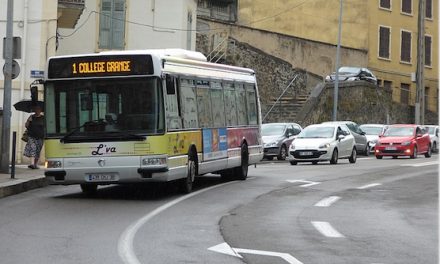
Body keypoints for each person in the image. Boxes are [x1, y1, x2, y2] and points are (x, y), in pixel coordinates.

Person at [23, 105, 44, 169]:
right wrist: (28, 121)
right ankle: (32, 163)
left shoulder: (43, 118)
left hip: (40, 136)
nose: (37, 110)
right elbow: (26, 126)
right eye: (36, 109)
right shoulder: (31, 117)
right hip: (31, 136)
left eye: (38, 109)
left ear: (40, 110)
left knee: (38, 150)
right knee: (33, 148)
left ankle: (35, 164)